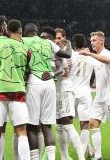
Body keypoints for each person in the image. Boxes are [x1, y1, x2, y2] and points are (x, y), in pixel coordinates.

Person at [0, 18, 32, 160]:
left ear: (7, 30)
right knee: (21, 131)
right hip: (18, 91)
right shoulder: (26, 49)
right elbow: (26, 71)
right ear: (20, 31)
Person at [23, 24, 69, 160]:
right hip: (49, 83)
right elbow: (67, 54)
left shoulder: (24, 41)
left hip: (34, 81)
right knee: (47, 126)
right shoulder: (48, 42)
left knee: (31, 126)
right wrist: (69, 43)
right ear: (37, 32)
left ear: (25, 32)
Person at [80, 31, 110, 160]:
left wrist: (89, 53)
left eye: (94, 40)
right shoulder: (95, 57)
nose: (92, 43)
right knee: (93, 124)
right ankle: (98, 155)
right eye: (91, 41)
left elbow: (106, 60)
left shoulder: (106, 53)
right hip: (99, 97)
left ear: (101, 41)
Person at [53, 28, 86, 160]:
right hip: (56, 89)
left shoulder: (68, 52)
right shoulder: (56, 51)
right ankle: (64, 157)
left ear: (65, 38)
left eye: (60, 38)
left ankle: (81, 157)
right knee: (59, 125)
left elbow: (65, 72)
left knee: (67, 123)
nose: (57, 40)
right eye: (55, 38)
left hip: (66, 88)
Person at [70, 33, 95, 159]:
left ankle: (86, 151)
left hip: (71, 93)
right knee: (85, 125)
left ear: (73, 44)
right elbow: (94, 75)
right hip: (85, 93)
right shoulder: (91, 57)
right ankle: (83, 154)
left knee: (67, 125)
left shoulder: (70, 56)